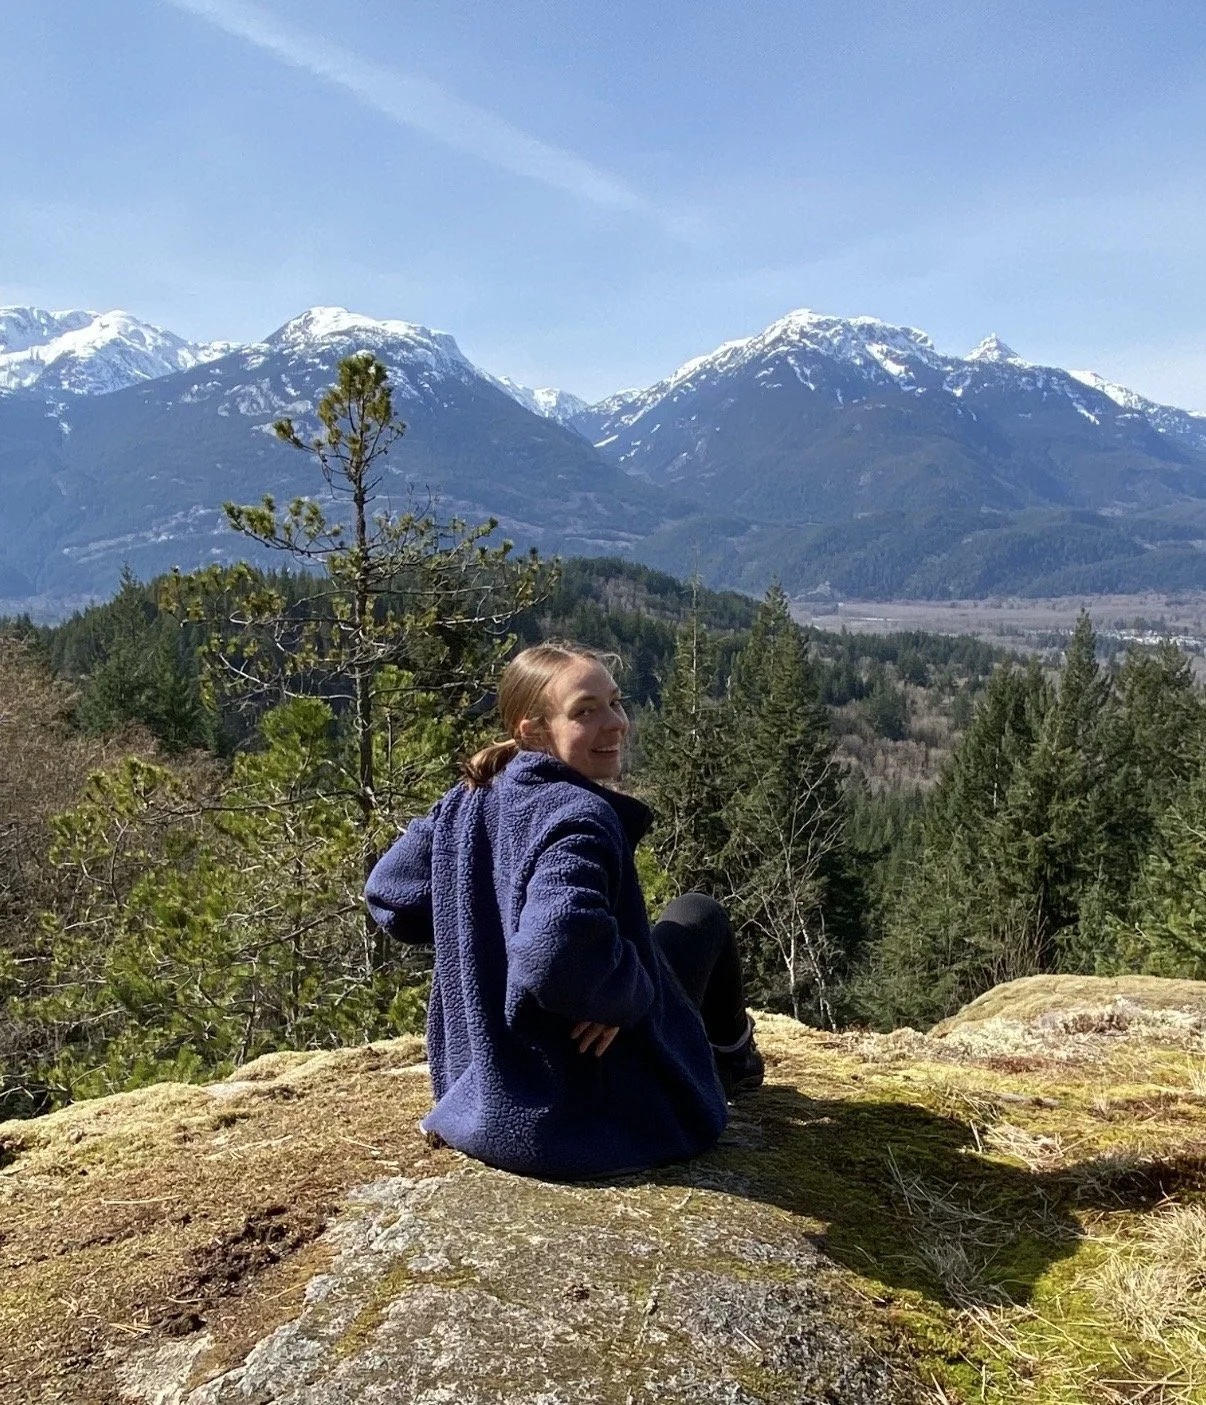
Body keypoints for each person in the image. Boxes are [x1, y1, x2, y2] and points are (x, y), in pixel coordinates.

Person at [365, 641, 763, 1180]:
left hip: (491, 1096)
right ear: (532, 730)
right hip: (578, 1113)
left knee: (681, 923)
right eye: (585, 711)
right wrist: (616, 992)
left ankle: (731, 1056)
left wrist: (486, 933)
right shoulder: (579, 816)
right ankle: (732, 1062)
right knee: (700, 914)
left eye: (615, 703)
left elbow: (391, 892)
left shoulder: (470, 795)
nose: (615, 724)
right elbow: (555, 952)